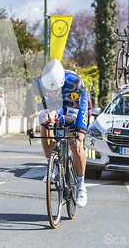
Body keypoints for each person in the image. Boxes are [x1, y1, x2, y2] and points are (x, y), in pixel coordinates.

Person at [32, 59, 89, 208]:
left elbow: (71, 117)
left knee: (75, 141)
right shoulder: (37, 86)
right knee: (45, 124)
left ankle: (81, 185)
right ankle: (52, 165)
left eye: (55, 90)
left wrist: (61, 118)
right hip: (53, 104)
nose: (52, 92)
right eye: (49, 90)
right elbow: (43, 111)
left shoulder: (73, 82)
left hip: (74, 102)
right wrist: (47, 117)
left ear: (61, 82)